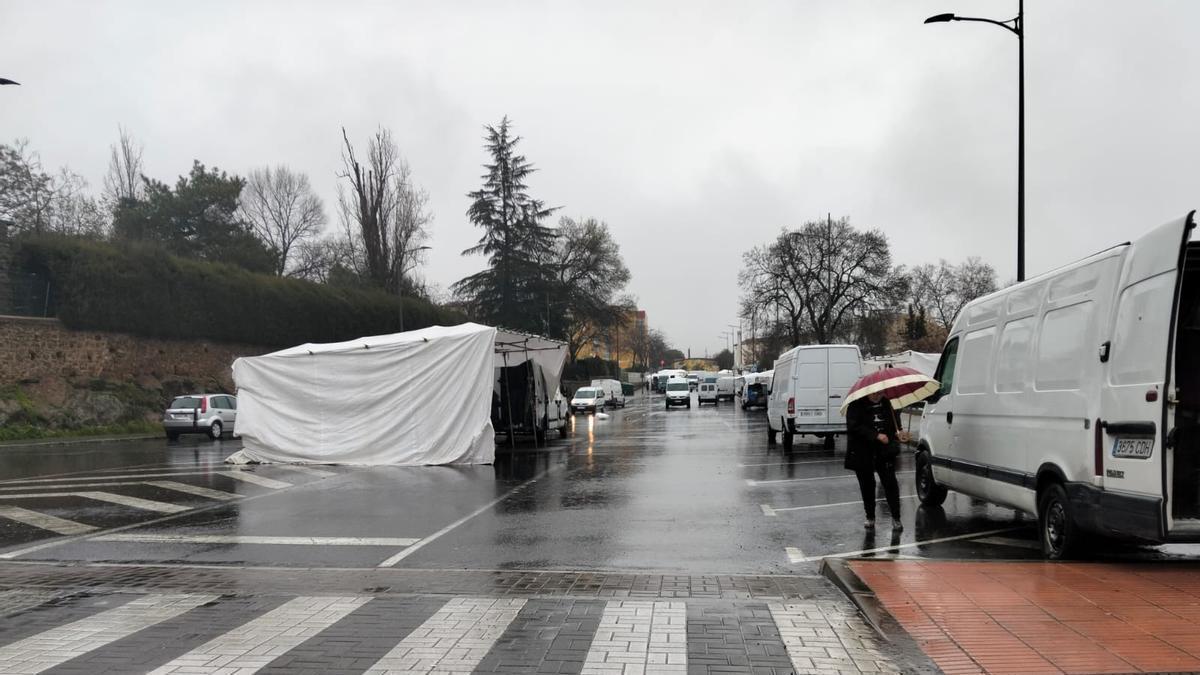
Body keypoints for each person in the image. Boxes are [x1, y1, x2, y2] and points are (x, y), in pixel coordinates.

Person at [845, 392, 903, 531]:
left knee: (890, 483)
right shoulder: (856, 405)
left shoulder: (888, 403)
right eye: (875, 393)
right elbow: (853, 427)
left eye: (881, 392)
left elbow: (895, 426)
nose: (878, 395)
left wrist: (900, 433)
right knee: (867, 485)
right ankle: (870, 516)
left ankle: (896, 518)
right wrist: (875, 435)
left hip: (884, 451)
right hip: (863, 451)